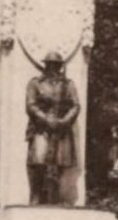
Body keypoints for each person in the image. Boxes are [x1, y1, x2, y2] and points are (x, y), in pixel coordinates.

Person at [25, 49, 80, 205]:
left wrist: (64, 121)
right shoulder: (35, 83)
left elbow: (75, 106)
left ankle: (56, 196)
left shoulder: (68, 85)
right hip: (41, 128)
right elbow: (31, 105)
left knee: (60, 162)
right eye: (50, 65)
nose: (53, 69)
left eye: (56, 65)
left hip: (62, 128)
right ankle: (35, 194)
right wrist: (46, 119)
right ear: (45, 66)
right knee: (38, 161)